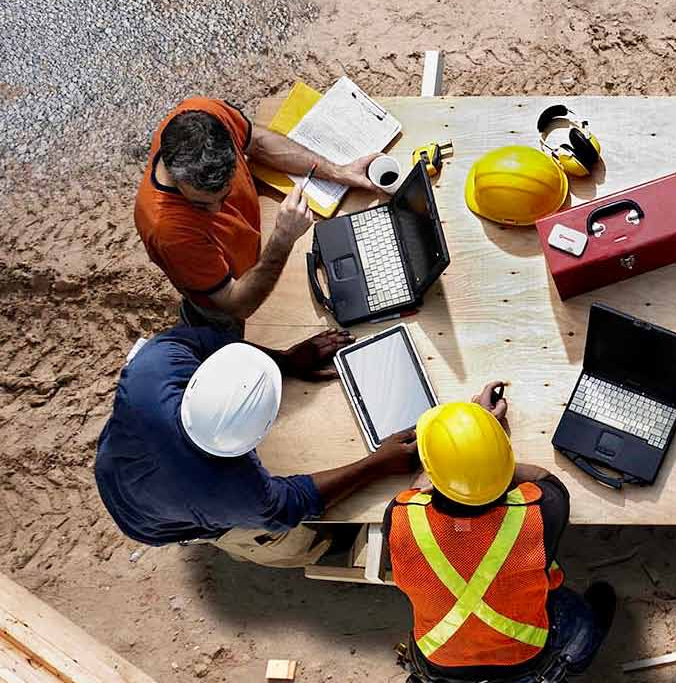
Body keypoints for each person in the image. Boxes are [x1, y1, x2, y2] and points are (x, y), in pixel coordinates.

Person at [95, 325, 418, 567]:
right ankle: (319, 548)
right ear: (255, 440)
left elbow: (200, 341)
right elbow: (289, 505)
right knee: (291, 545)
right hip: (147, 520)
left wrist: (286, 360)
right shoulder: (231, 492)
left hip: (115, 465)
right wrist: (377, 464)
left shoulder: (154, 370)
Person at [385, 387, 614, 682]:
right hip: (525, 657)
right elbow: (544, 478)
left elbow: (417, 488)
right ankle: (578, 655)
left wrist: (457, 460)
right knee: (576, 615)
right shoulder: (542, 511)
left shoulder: (402, 516)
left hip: (438, 658)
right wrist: (491, 447)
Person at [134, 96, 382, 334]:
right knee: (236, 330)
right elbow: (237, 304)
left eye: (225, 195)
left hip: (255, 250)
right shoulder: (168, 232)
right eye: (200, 205)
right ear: (173, 176)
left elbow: (259, 144)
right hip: (230, 294)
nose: (217, 212)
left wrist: (337, 172)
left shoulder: (206, 113)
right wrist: (283, 238)